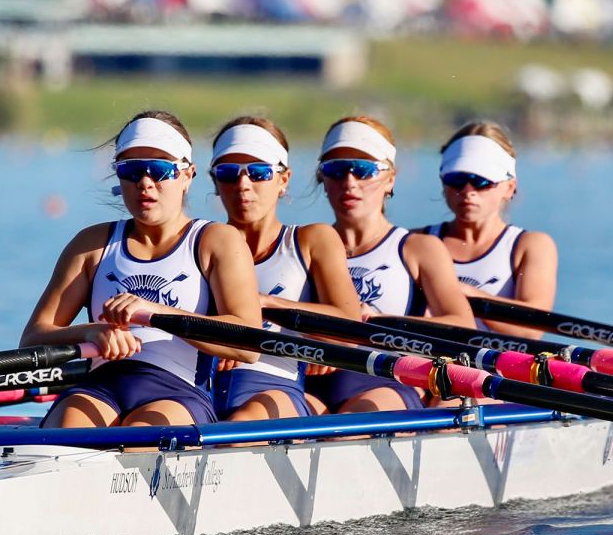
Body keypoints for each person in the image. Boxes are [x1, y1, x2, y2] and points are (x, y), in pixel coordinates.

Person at [21, 110, 262, 428]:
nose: (145, 182)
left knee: (141, 436)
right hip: (99, 387)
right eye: (131, 170)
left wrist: (152, 313)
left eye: (160, 169)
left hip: (178, 392)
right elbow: (33, 338)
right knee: (67, 431)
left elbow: (249, 344)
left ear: (187, 175)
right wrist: (91, 331)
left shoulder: (216, 241)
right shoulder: (91, 244)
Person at [305, 115, 474, 415]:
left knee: (344, 431)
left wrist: (381, 321)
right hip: (312, 382)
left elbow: (462, 325)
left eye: (364, 170)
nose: (349, 183)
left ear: (390, 179)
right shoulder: (305, 244)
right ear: (323, 178)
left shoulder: (417, 248)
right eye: (336, 169)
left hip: (387, 381)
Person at [208, 116, 361, 421]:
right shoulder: (200, 242)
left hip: (274, 391)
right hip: (202, 390)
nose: (243, 185)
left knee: (236, 429)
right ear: (214, 181)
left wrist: (261, 303)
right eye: (228, 173)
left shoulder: (311, 240)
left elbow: (350, 324)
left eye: (259, 173)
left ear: (283, 179)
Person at [418, 122, 557, 340]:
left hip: (498, 370)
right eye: (456, 180)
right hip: (429, 369)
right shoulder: (414, 242)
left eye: (481, 181)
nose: (467, 191)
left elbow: (531, 330)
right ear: (443, 183)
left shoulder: (530, 246)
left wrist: (465, 294)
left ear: (509, 187)